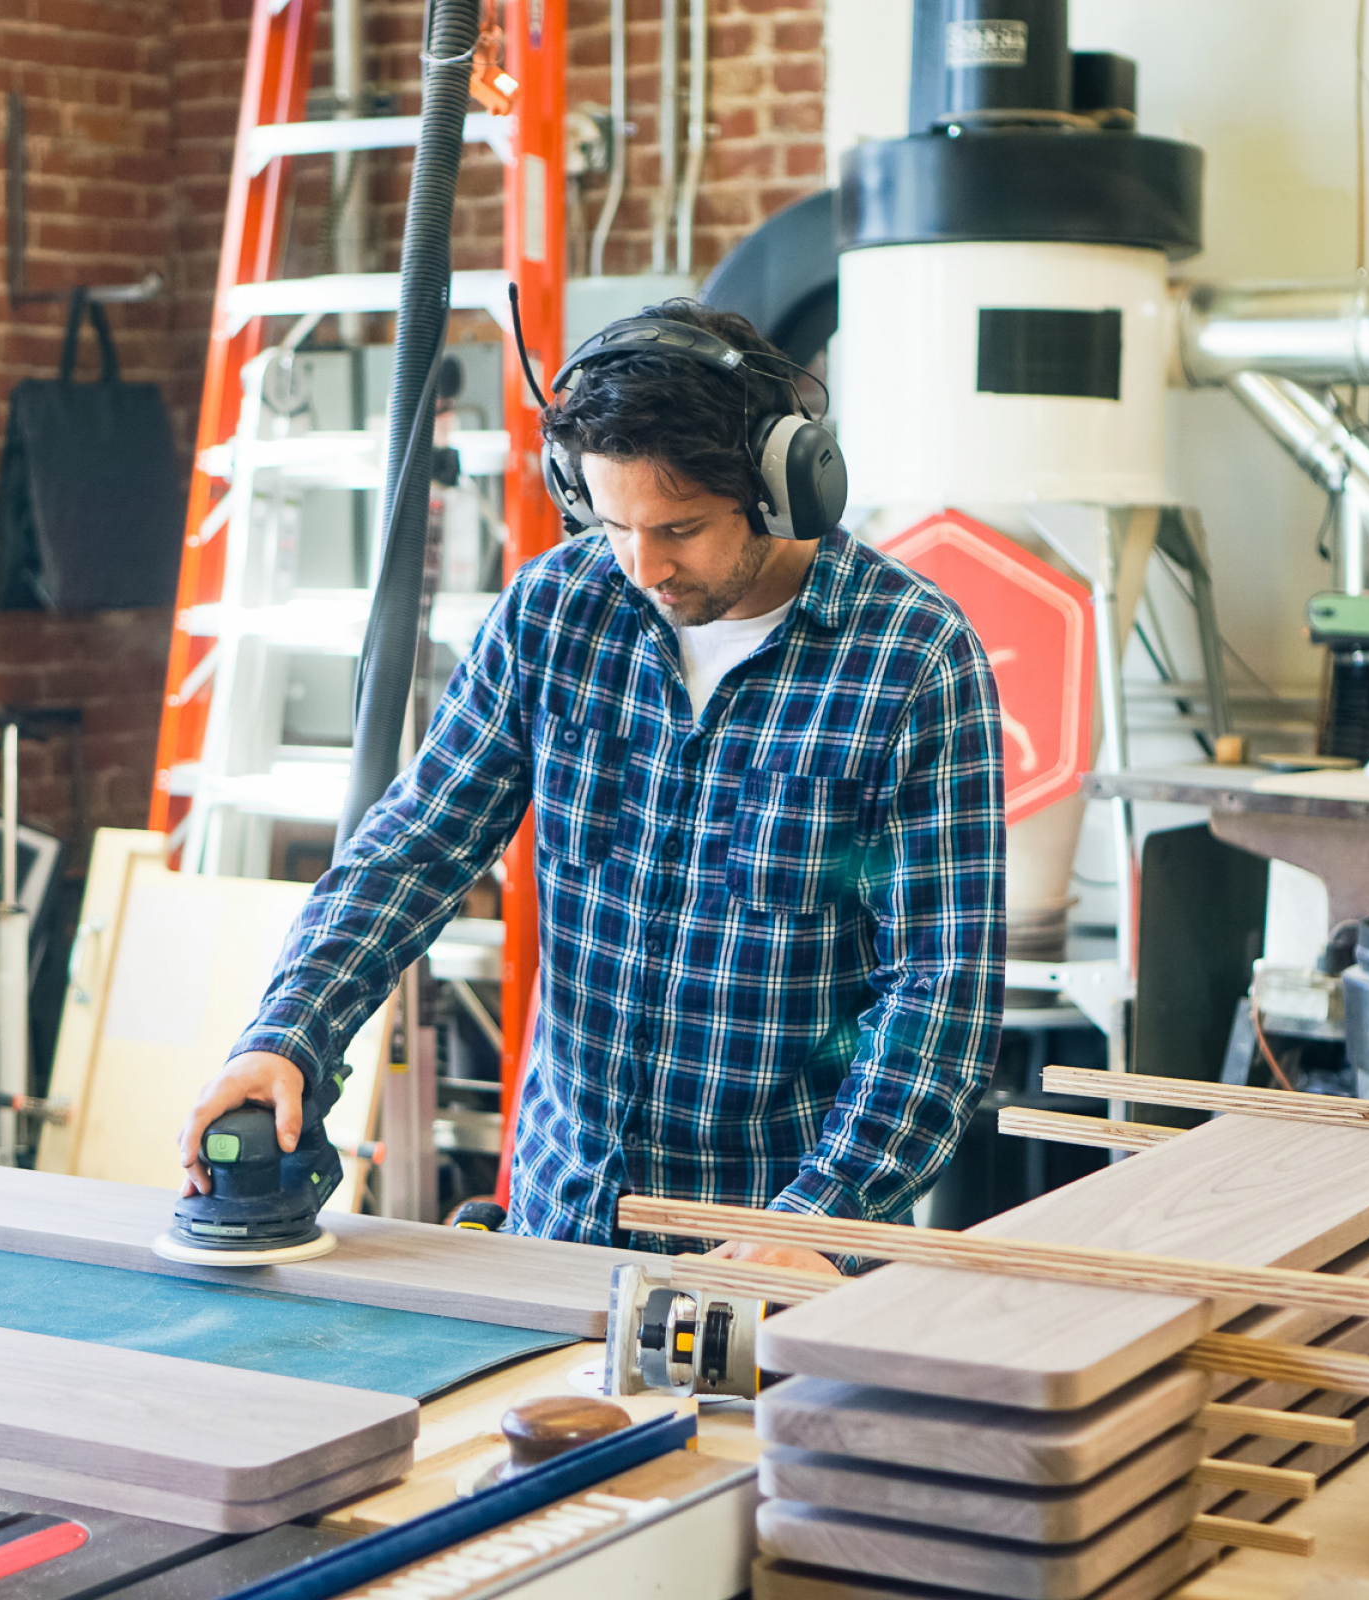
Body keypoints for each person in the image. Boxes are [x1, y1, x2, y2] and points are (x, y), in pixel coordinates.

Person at [181, 301, 1004, 1274]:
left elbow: (939, 995)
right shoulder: (557, 609)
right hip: (558, 1225)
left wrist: (817, 1218)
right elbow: (414, 849)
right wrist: (287, 1034)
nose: (643, 566)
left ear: (784, 487)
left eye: (682, 529)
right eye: (614, 524)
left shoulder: (912, 657)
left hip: (782, 1252)